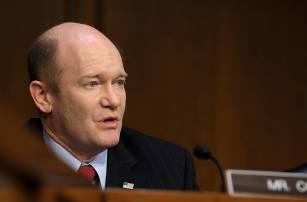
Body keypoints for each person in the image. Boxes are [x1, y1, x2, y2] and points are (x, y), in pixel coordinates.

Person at [27, 22, 198, 190]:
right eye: (92, 84)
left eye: (119, 82)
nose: (113, 101)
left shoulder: (171, 167)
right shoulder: (6, 166)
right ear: (43, 97)